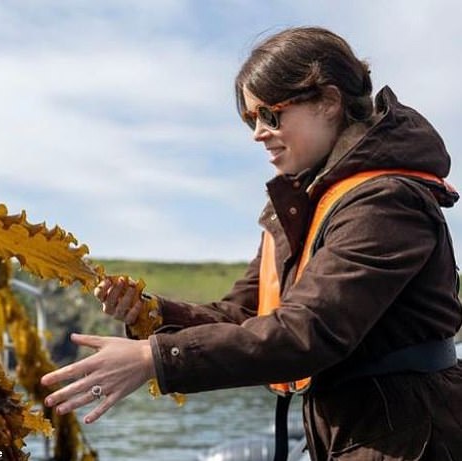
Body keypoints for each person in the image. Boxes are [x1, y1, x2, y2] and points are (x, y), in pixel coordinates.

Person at [41, 26, 462, 460]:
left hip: (411, 440)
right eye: (250, 119)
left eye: (270, 115)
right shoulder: (304, 209)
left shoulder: (384, 202)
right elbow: (244, 314)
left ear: (330, 102)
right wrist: (153, 314)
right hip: (358, 437)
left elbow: (308, 332)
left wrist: (154, 358)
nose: (258, 133)